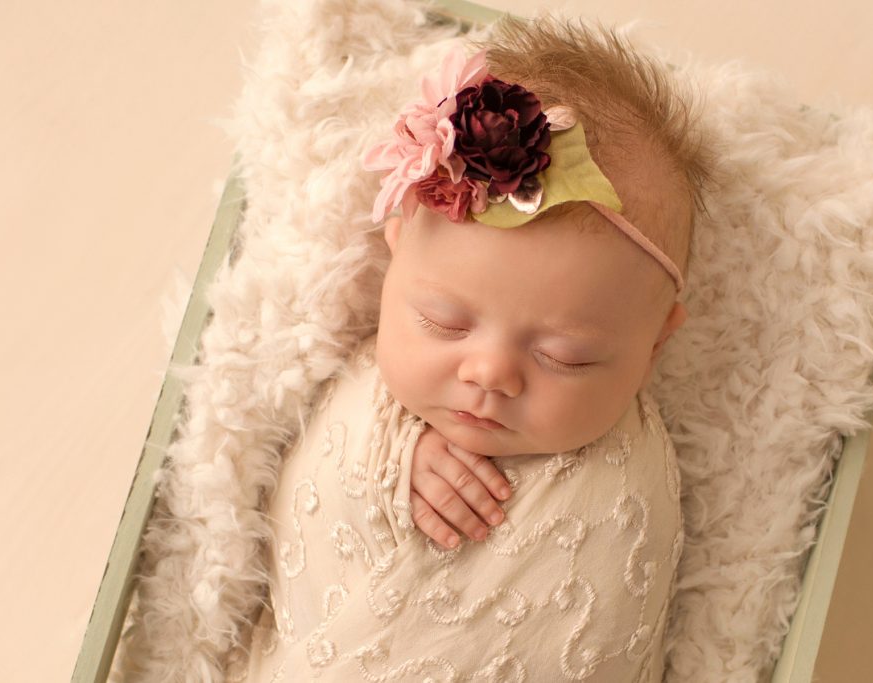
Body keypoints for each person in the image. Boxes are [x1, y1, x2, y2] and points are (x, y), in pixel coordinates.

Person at [241, 13, 710, 682]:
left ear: (655, 344)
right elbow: (291, 496)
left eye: (565, 356)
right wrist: (384, 463)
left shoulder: (624, 477)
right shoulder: (363, 396)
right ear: (395, 251)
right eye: (443, 320)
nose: (490, 372)